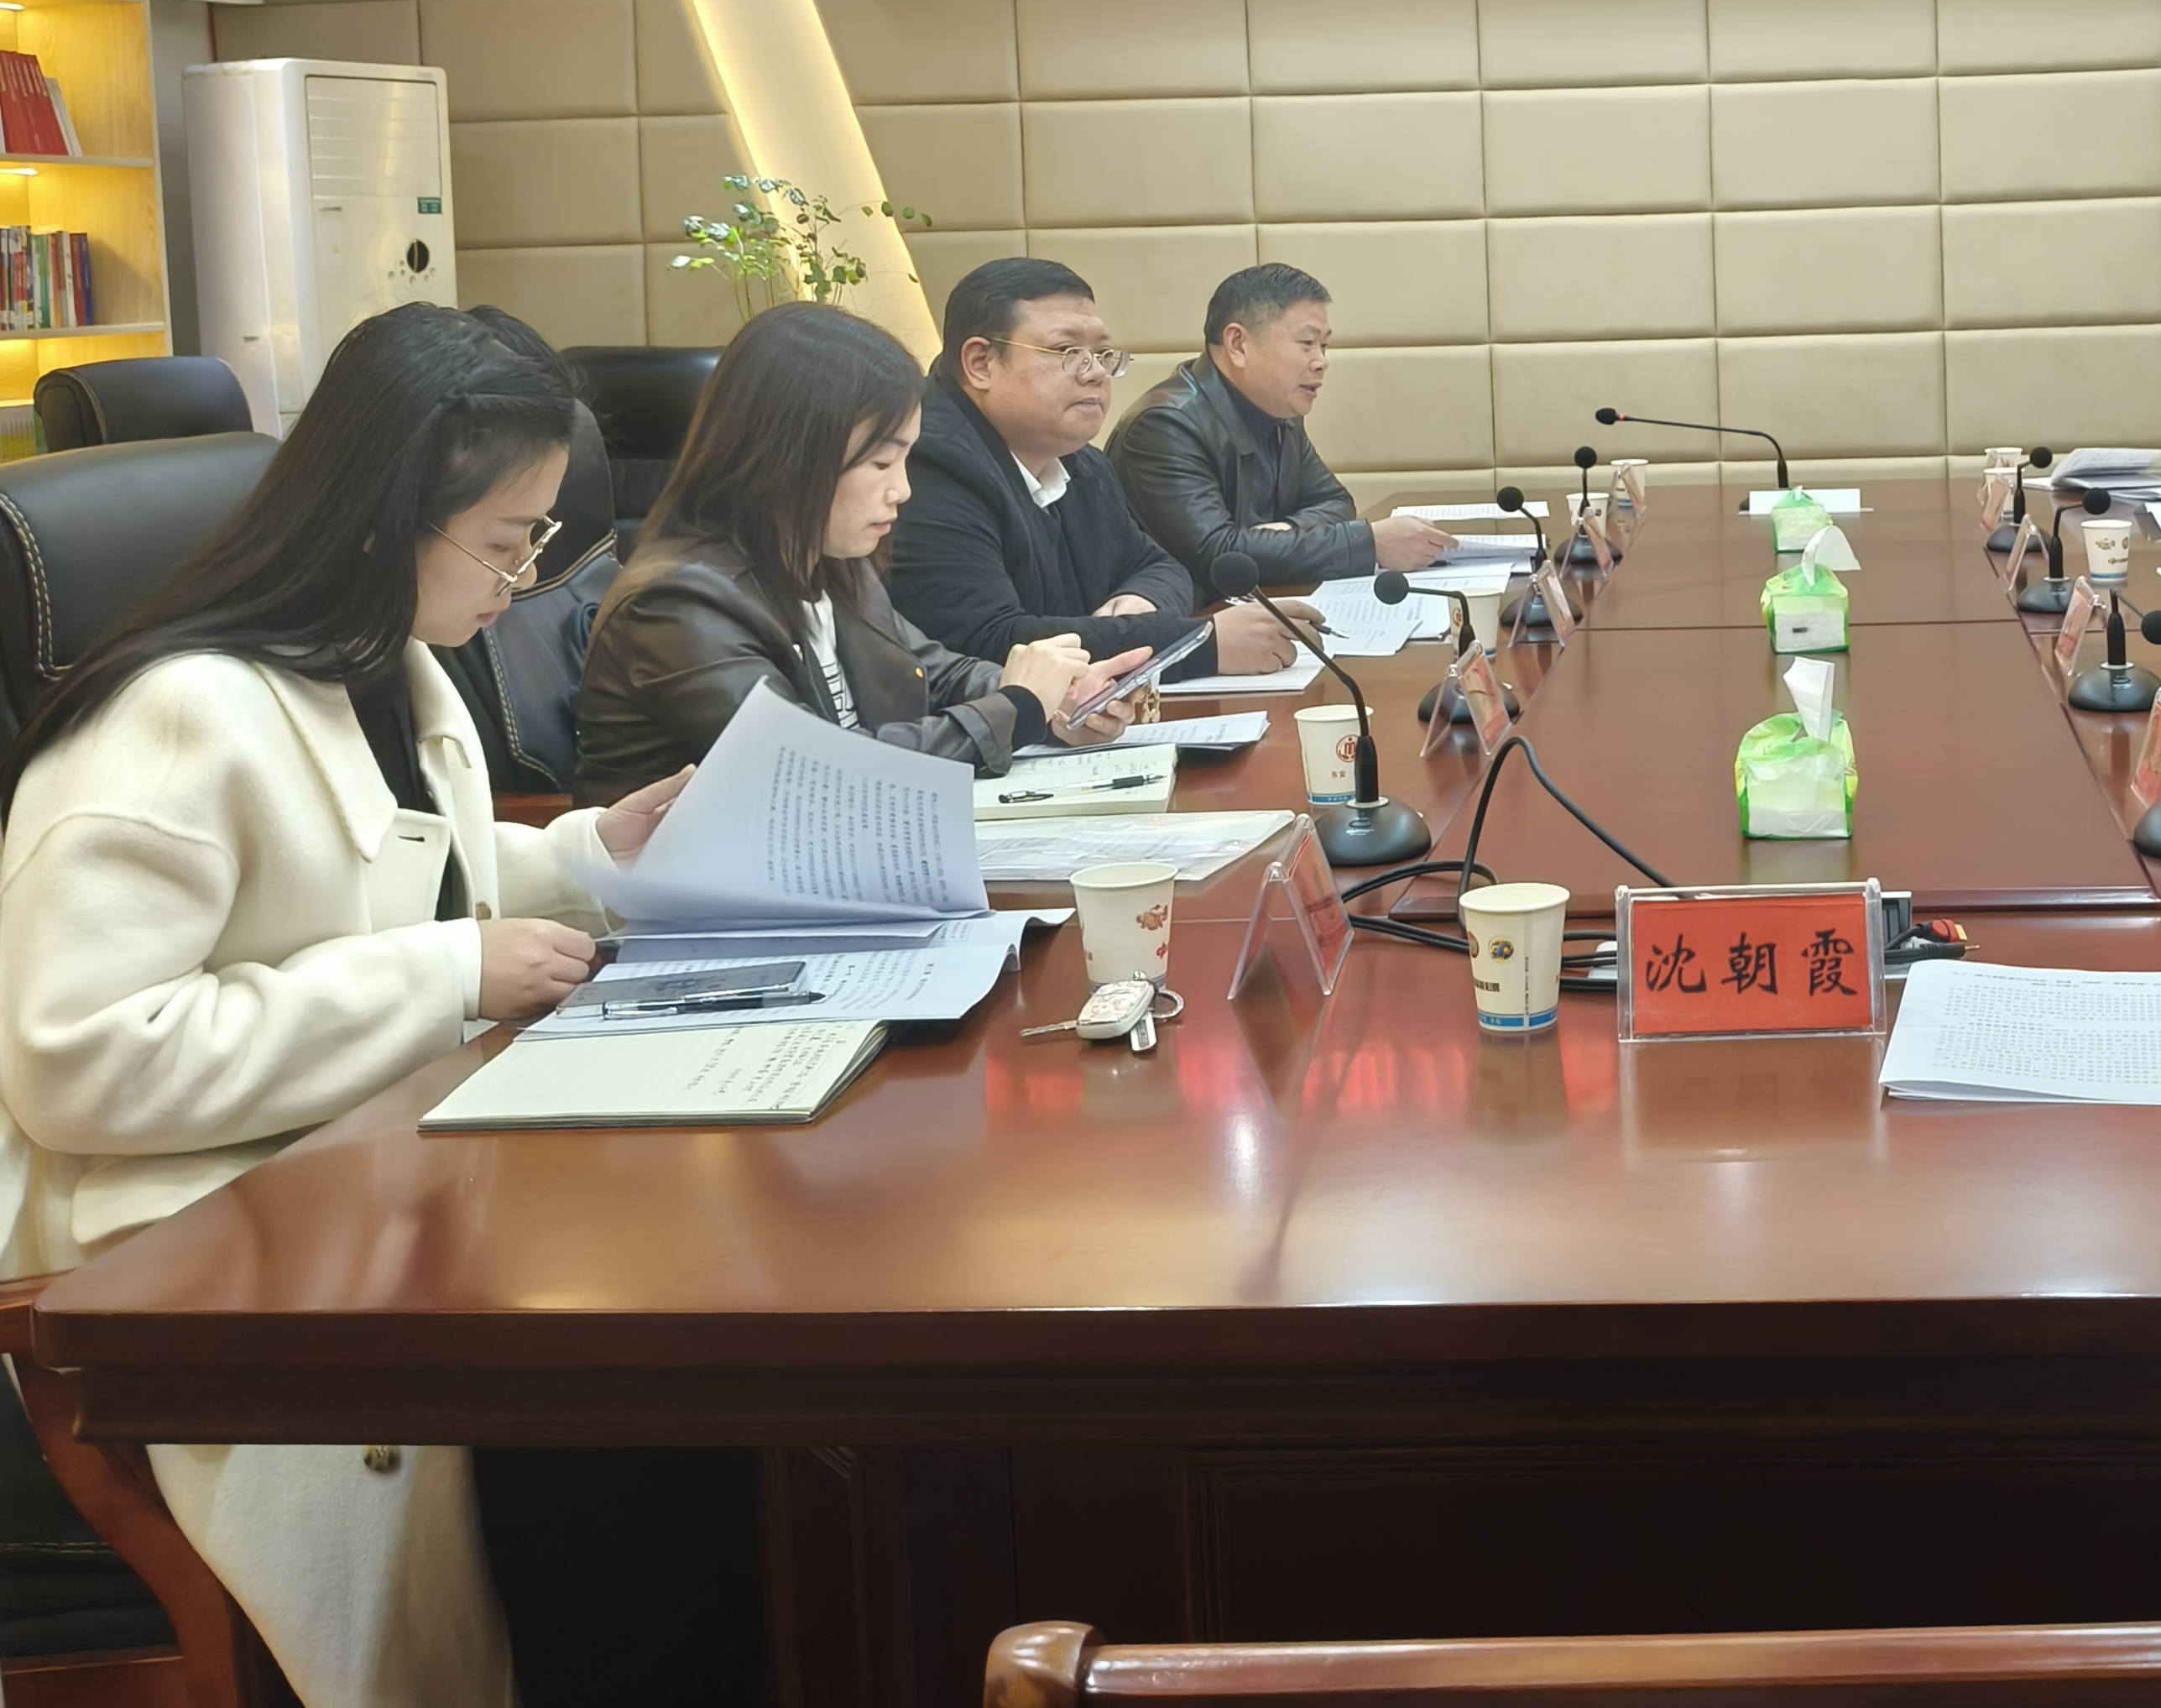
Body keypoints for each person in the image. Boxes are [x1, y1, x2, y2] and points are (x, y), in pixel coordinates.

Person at [0, 302, 733, 1708]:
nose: (525, 577)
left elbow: (399, 874)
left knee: (674, 1368)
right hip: (201, 1258)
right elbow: (80, 1061)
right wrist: (447, 975)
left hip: (371, 1173)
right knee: (631, 1449)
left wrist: (594, 854)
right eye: (507, 539)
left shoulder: (383, 661)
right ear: (389, 513)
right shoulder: (173, 716)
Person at [576, 301, 1148, 803]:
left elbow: (932, 674)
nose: (902, 490)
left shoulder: (827, 562)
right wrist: (1017, 707)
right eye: (880, 463)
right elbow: (817, 771)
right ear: (789, 457)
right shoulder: (678, 602)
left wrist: (1058, 701)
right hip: (701, 889)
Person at [885, 256, 1306, 681]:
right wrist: (1197, 644)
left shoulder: (1082, 461)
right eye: (1066, 351)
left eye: (1102, 354)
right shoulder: (928, 466)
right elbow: (987, 642)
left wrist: (1143, 601)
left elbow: (1160, 567)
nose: (1096, 374)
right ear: (981, 363)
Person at [1108, 262, 1455, 591]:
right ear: (1238, 344)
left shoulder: (1280, 410)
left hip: (1259, 604)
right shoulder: (1165, 426)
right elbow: (1219, 554)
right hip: (1189, 620)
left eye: (1324, 346)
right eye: (1307, 344)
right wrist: (1368, 544)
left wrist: (1282, 532)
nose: (1321, 362)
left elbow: (1335, 502)